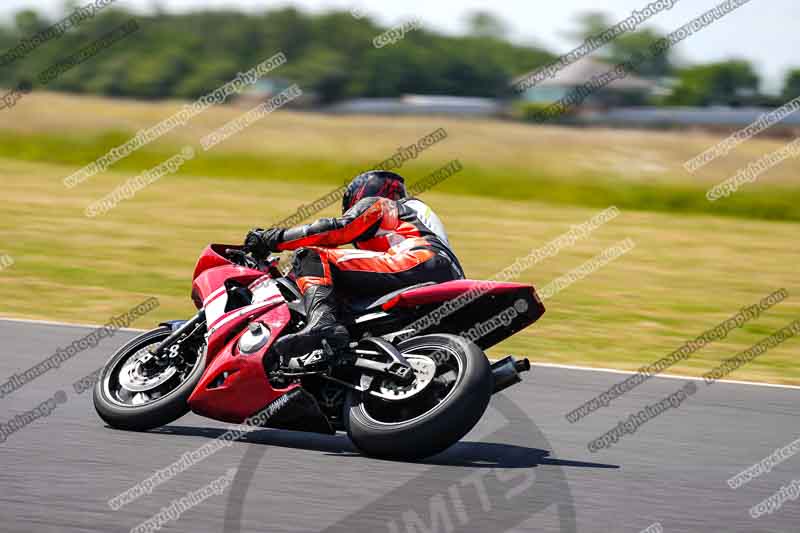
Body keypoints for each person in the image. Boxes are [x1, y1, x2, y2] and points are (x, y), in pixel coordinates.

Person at [245, 170, 464, 363]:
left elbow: (336, 229)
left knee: (311, 256)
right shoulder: (412, 222)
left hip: (418, 261)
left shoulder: (385, 205)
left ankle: (322, 324)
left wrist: (272, 238)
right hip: (446, 277)